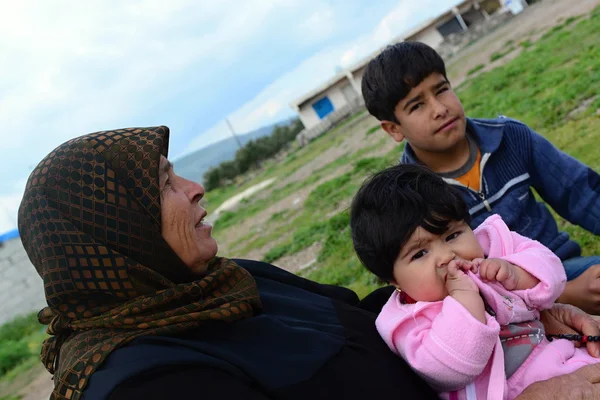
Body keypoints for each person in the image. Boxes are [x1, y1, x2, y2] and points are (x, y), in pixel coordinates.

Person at [16, 126, 600, 400]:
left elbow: (364, 313)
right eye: (167, 185)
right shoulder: (145, 384)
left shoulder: (223, 282)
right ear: (122, 232)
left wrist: (522, 314)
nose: (196, 189)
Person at [360, 41, 600, 315]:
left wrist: (565, 285)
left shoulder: (510, 137)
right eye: (417, 106)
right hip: (491, 308)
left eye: (441, 90)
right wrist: (566, 296)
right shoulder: (409, 198)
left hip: (560, 266)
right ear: (393, 128)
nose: (440, 108)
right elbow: (446, 290)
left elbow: (582, 193)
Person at [350, 164, 600, 399]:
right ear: (393, 279)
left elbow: (553, 271)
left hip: (568, 354)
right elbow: (449, 370)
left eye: (452, 235)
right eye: (420, 254)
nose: (447, 256)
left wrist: (516, 273)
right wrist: (465, 301)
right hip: (520, 390)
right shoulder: (408, 321)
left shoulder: (492, 247)